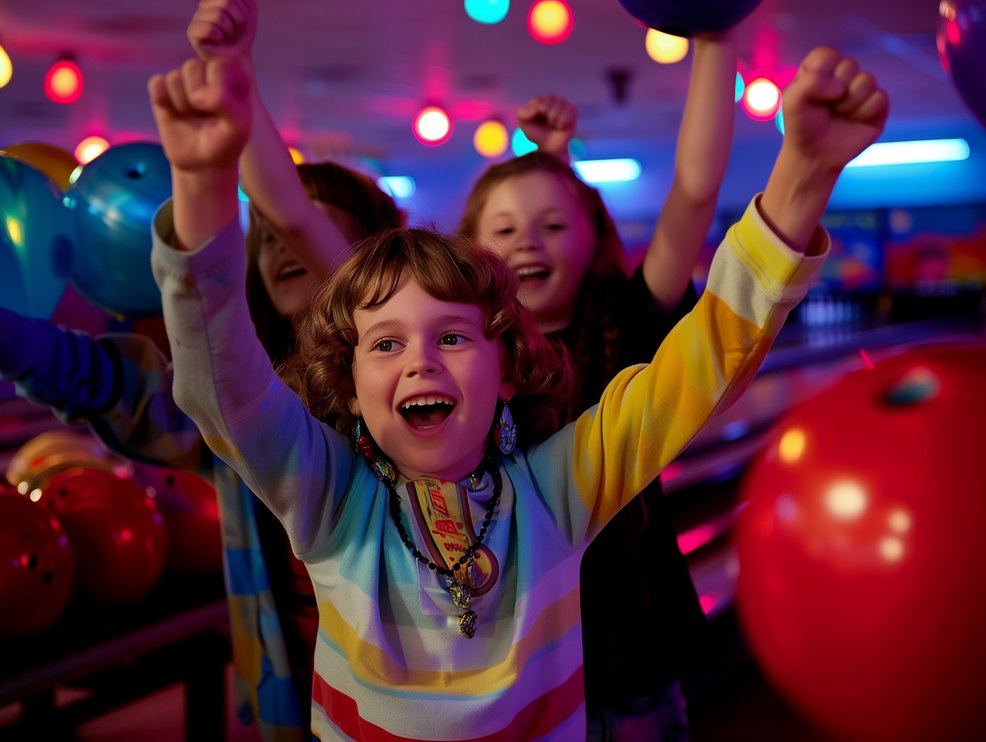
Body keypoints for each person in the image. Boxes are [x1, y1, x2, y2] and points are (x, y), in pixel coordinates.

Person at [146, 41, 887, 739]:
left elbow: (702, 363)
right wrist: (201, 187)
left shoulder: (561, 490)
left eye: (454, 336)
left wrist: (803, 176)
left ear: (505, 372)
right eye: (385, 343)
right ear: (349, 384)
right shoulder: (331, 501)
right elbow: (225, 387)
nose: (419, 361)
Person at [459, 31, 737, 739]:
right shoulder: (463, 348)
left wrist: (714, 38)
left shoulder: (626, 316)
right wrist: (547, 164)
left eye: (554, 226)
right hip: (511, 656)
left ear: (593, 235)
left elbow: (696, 191)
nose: (528, 241)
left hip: (628, 635)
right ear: (470, 252)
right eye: (506, 229)